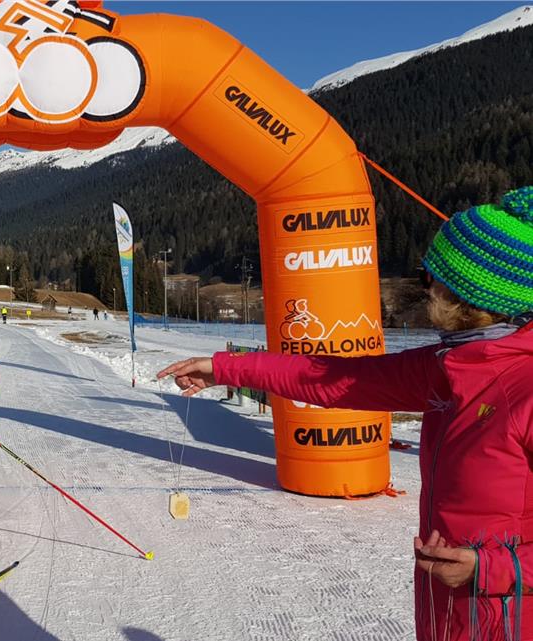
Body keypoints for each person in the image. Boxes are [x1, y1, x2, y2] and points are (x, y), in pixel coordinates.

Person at [157, 186, 533, 641]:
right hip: (449, 611)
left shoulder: (523, 388)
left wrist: (492, 569)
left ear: (468, 297)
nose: (425, 288)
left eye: (431, 277)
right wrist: (223, 368)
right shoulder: (448, 367)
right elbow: (329, 378)